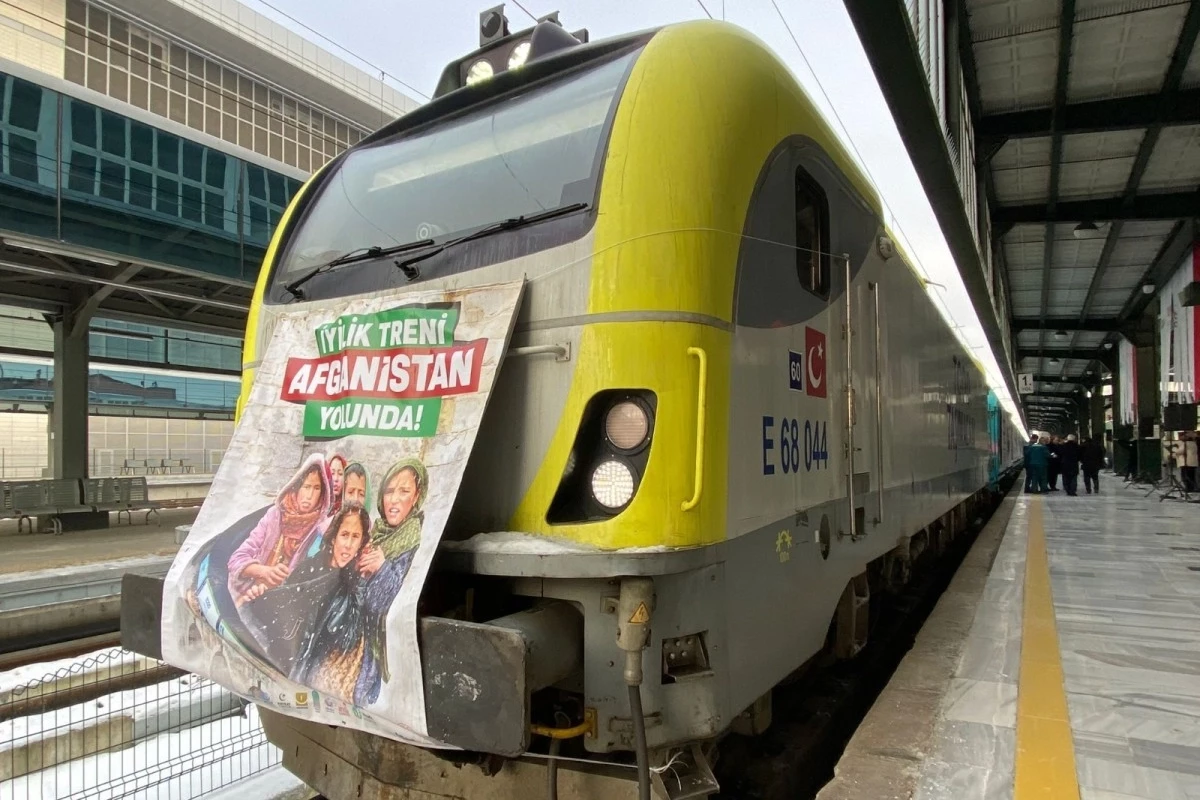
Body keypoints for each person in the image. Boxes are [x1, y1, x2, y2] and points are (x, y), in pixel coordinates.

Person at [237, 504, 372, 678]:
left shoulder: (356, 584)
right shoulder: (308, 567)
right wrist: (261, 596)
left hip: (308, 673)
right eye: (344, 535)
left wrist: (359, 584)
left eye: (355, 537)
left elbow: (347, 639)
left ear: (361, 543)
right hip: (280, 661)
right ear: (334, 538)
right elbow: (284, 604)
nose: (348, 545)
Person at [354, 458, 429, 707]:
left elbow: (384, 601)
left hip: (379, 649)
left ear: (416, 496)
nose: (394, 500)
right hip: (355, 638)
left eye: (404, 491)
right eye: (389, 491)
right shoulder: (376, 533)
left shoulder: (415, 539)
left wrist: (381, 567)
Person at [226, 454, 330, 600]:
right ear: (297, 487)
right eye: (306, 487)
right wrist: (263, 571)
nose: (309, 495)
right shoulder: (274, 515)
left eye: (317, 488)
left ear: (323, 493)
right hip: (247, 592)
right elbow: (237, 559)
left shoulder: (321, 529)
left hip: (285, 602)